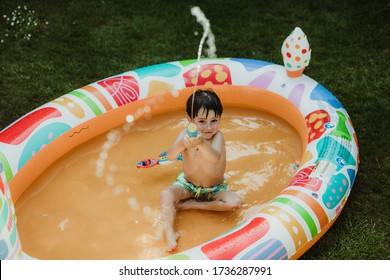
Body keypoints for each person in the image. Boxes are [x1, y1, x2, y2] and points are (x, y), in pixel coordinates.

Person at [160, 88, 242, 252]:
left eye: (214, 120)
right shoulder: (185, 134)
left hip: (214, 189)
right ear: (190, 120)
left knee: (235, 203)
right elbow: (169, 156)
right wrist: (181, 144)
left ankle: (193, 205)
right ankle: (169, 232)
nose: (209, 127)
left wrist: (201, 144)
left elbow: (214, 157)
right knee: (166, 194)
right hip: (188, 186)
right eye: (202, 121)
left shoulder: (218, 137)